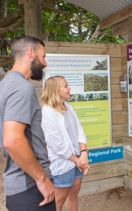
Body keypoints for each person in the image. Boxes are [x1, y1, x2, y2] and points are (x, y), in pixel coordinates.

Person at [0, 36, 56, 210]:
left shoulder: (5, 85)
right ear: (31, 53)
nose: (45, 63)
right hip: (31, 188)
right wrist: (42, 179)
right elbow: (12, 140)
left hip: (18, 189)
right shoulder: (22, 88)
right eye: (43, 56)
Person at [40, 76, 89, 211]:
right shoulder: (47, 112)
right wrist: (78, 160)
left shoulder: (68, 107)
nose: (69, 88)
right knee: (58, 202)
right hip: (63, 164)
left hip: (78, 160)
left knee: (73, 196)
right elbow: (57, 144)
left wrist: (83, 153)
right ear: (55, 90)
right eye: (66, 86)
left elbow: (80, 131)